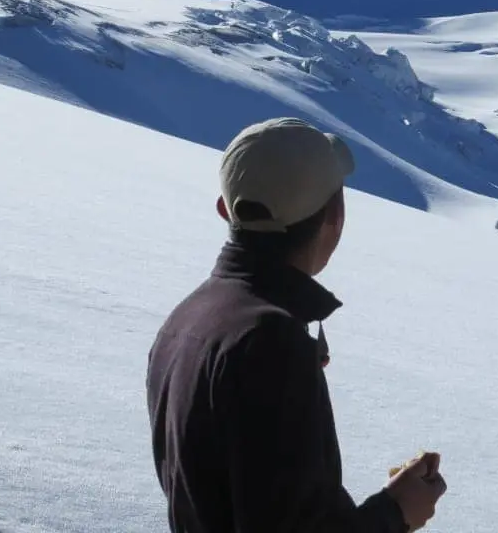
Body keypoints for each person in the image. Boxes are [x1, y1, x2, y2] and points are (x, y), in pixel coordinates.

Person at [146, 117, 447, 533]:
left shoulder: (187, 319)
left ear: (225, 209)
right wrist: (397, 511)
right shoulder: (268, 343)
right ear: (334, 215)